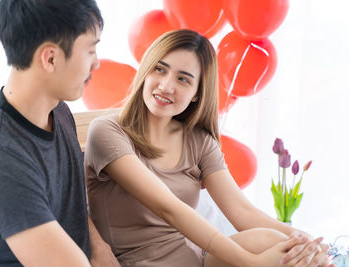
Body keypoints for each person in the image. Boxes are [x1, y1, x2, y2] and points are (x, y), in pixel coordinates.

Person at [84, 29, 332, 267]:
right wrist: (252, 262)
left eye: (183, 79)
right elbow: (168, 208)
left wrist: (310, 244)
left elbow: (243, 211)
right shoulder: (107, 131)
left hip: (196, 259)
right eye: (160, 70)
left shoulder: (199, 141)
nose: (166, 86)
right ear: (146, 71)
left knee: (277, 243)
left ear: (196, 93)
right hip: (139, 262)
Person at [0, 1, 119, 266]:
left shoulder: (59, 110)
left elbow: (70, 202)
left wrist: (98, 246)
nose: (97, 63)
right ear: (50, 58)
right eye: (91, 50)